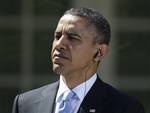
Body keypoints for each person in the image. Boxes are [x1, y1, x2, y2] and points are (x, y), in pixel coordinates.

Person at [12, 7, 145, 113]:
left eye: (72, 38)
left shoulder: (125, 108)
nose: (59, 44)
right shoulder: (25, 104)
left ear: (99, 52)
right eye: (57, 36)